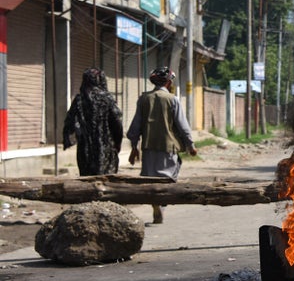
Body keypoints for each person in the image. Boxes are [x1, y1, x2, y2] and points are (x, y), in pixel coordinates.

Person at [127, 66, 197, 224]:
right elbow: (182, 125)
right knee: (167, 179)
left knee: (150, 180)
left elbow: (135, 127)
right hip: (168, 148)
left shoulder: (144, 99)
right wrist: (190, 145)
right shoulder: (172, 99)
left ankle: (155, 204)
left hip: (148, 148)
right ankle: (162, 206)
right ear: (168, 82)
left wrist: (133, 148)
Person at [63, 67, 124, 176]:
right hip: (106, 150)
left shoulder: (79, 100)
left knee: (87, 182)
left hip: (85, 151)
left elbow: (69, 123)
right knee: (107, 182)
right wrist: (118, 143)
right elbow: (117, 123)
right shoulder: (107, 99)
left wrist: (71, 138)